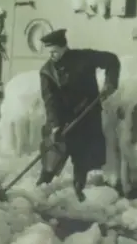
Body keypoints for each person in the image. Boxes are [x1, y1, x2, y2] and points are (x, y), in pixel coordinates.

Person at [36, 29, 120, 202]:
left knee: (83, 157)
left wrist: (110, 83)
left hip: (87, 116)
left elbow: (112, 60)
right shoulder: (47, 72)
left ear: (63, 47)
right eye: (48, 52)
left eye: (54, 51)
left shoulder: (84, 57)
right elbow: (50, 101)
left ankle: (79, 190)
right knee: (52, 153)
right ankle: (41, 187)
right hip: (63, 119)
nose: (51, 56)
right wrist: (56, 125)